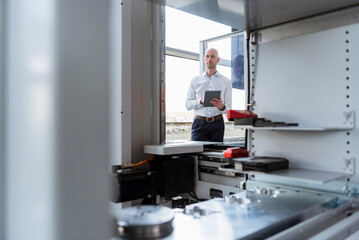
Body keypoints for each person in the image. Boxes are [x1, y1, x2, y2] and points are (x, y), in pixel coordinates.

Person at [185, 48, 232, 142]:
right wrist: (200, 101)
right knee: (196, 153)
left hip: (217, 124)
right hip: (199, 123)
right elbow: (188, 105)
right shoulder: (195, 80)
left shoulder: (226, 82)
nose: (209, 59)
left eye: (212, 56)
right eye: (207, 56)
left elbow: (228, 109)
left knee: (216, 153)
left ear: (218, 60)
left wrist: (222, 107)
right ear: (203, 59)